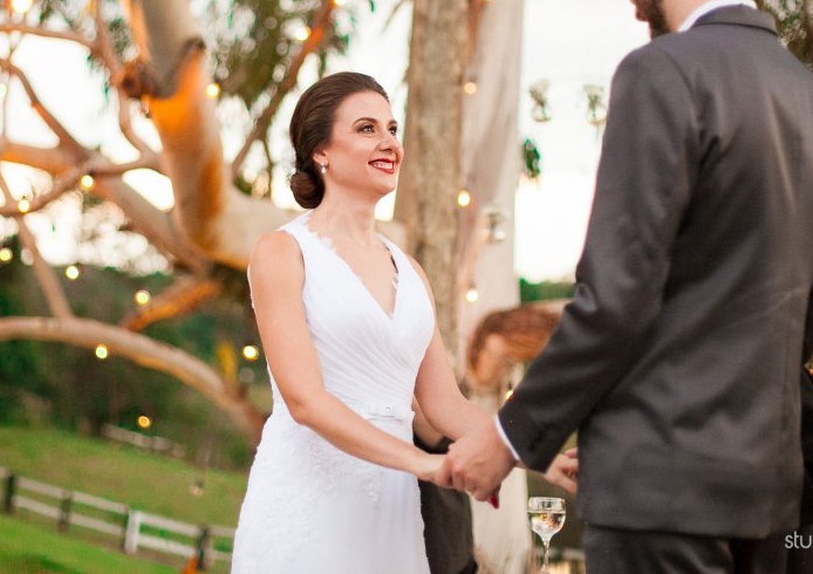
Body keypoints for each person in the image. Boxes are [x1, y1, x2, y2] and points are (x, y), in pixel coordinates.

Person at [439, 0, 813, 574]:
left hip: (660, 489)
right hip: (768, 494)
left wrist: (509, 438)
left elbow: (616, 300)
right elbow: (802, 325)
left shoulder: (661, 73)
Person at [232, 72, 575, 572]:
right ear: (321, 151)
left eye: (392, 129)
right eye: (367, 129)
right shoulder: (282, 252)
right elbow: (306, 401)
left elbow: (444, 405)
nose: (390, 142)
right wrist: (425, 463)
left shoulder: (410, 270)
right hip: (306, 503)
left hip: (393, 512)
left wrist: (536, 453)